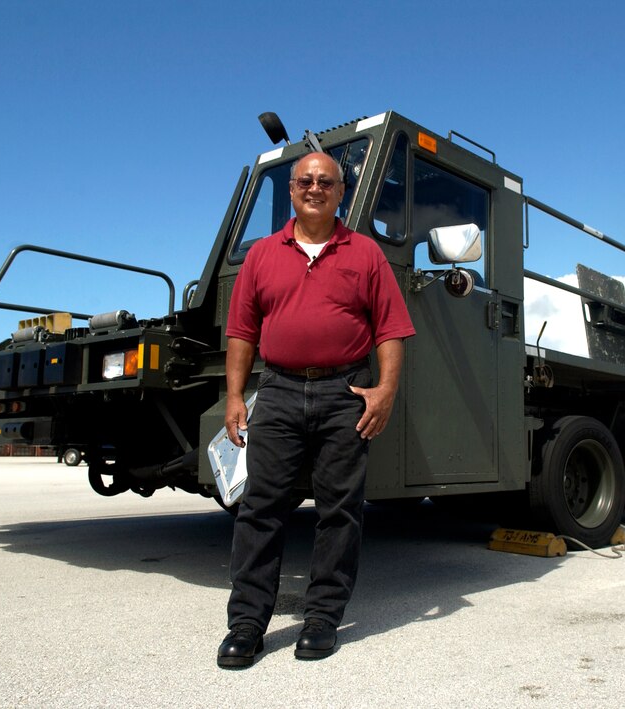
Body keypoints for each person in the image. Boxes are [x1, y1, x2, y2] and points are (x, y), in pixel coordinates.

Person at [217, 152, 415, 669]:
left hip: (343, 392)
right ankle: (246, 624)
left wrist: (385, 389)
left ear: (340, 192)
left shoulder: (366, 253)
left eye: (325, 181)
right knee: (261, 508)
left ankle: (323, 619)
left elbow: (391, 328)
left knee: (339, 510)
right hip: (278, 389)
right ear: (291, 190)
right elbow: (241, 331)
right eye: (305, 180)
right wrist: (235, 395)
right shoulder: (261, 254)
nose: (314, 187)